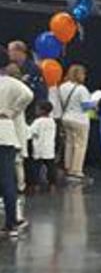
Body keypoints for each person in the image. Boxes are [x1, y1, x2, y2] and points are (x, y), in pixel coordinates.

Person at [0, 64, 32, 237]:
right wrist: (12, 111)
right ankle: (11, 222)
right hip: (4, 131)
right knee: (7, 179)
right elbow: (28, 94)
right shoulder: (11, 83)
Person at [51, 63, 92, 183]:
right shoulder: (82, 89)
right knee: (80, 145)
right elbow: (86, 107)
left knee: (69, 143)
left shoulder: (62, 87)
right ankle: (76, 171)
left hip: (66, 118)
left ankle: (68, 167)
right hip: (80, 120)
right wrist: (94, 104)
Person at [26, 101, 55, 192]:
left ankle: (35, 184)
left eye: (37, 108)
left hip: (38, 147)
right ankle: (52, 184)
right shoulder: (52, 121)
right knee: (50, 167)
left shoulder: (37, 121)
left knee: (35, 167)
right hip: (49, 147)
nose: (36, 110)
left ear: (42, 110)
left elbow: (29, 133)